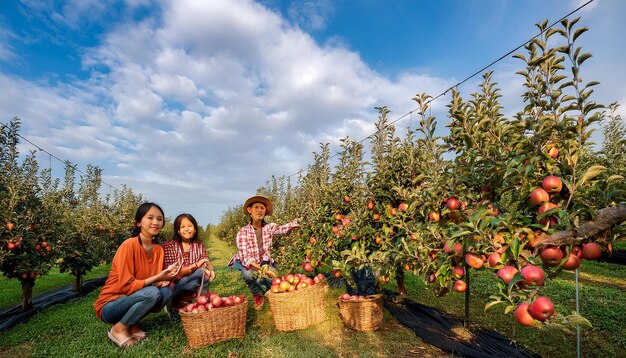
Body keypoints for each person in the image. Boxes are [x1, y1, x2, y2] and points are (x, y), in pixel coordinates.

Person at [94, 202, 180, 348]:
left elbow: (148, 280)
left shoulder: (158, 250)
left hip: (134, 296)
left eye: (159, 219)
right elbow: (127, 286)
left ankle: (133, 324)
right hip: (111, 305)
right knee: (153, 293)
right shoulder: (129, 245)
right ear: (139, 222)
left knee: (165, 291)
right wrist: (159, 278)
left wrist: (164, 279)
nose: (155, 222)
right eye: (150, 218)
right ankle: (119, 329)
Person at [228, 194, 299, 310]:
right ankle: (257, 295)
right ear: (249, 210)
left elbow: (283, 229)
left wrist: (295, 223)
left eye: (262, 208)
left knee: (274, 281)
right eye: (256, 207)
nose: (260, 210)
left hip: (263, 261)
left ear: (265, 211)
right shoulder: (243, 233)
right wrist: (261, 270)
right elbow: (247, 258)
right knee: (249, 275)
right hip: (247, 262)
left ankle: (268, 290)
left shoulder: (269, 227)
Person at [162, 213, 215, 309]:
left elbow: (205, 262)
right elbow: (171, 274)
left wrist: (209, 270)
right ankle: (179, 301)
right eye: (182, 227)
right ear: (178, 230)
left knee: (199, 278)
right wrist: (196, 265)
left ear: (195, 229)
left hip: (194, 281)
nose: (186, 229)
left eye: (190, 226)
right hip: (175, 285)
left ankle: (199, 303)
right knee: (199, 273)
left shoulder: (198, 245)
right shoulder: (169, 246)